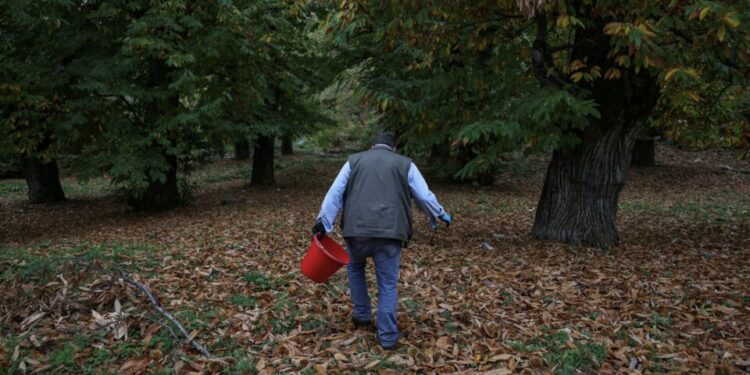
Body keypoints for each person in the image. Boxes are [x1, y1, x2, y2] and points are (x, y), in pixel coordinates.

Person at [312, 132, 452, 350]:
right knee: (387, 282)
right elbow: (423, 196)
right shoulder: (406, 164)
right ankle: (387, 336)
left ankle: (362, 315)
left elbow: (335, 192)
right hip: (390, 232)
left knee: (356, 269)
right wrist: (438, 213)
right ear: (394, 148)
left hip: (356, 230)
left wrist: (324, 223)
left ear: (372, 146)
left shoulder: (354, 161)